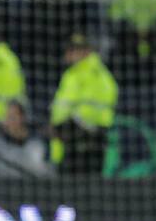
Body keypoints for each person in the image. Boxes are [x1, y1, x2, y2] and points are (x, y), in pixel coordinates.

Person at [50, 33, 118, 174]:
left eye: (76, 50)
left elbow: (95, 109)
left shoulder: (96, 73)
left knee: (86, 190)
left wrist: (73, 124)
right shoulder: (71, 74)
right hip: (66, 140)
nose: (70, 54)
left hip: (88, 143)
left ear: (87, 51)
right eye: (71, 50)